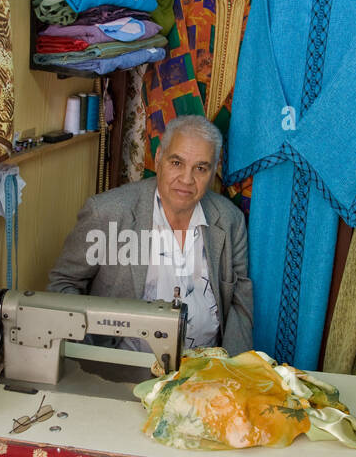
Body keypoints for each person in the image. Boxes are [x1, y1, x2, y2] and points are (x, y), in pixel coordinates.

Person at [48, 115, 254, 355]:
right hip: (122, 367)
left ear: (213, 171)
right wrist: (92, 357)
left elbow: (240, 305)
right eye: (176, 163)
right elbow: (63, 285)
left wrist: (232, 372)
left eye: (200, 168)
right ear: (158, 160)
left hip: (204, 370)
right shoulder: (108, 212)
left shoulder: (230, 220)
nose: (187, 179)